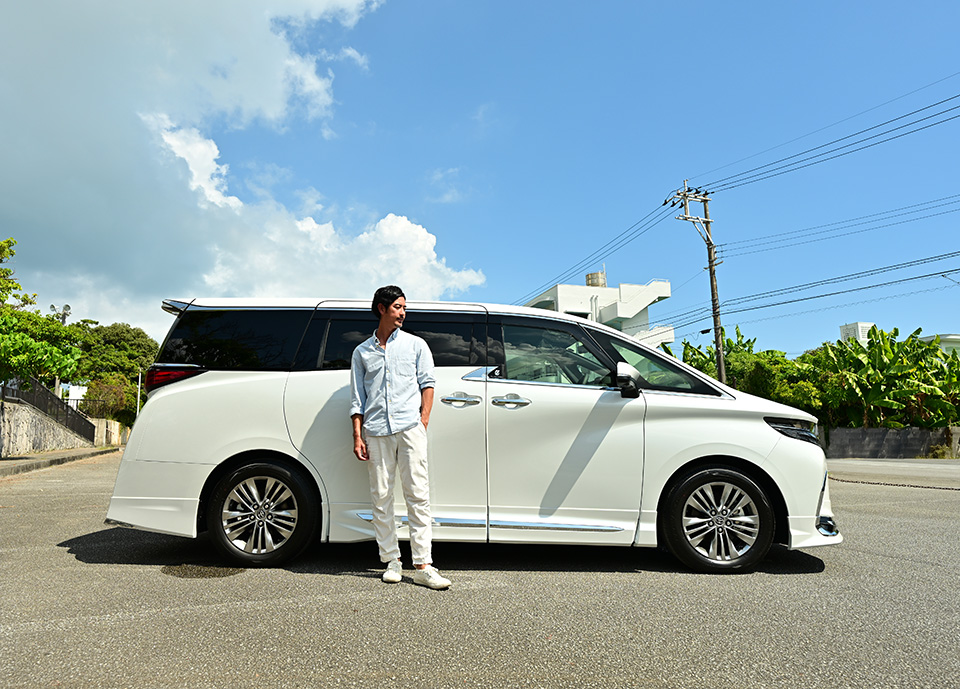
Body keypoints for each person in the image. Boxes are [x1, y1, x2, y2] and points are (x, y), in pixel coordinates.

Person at [349, 285, 451, 590]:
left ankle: (423, 565)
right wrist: (357, 435)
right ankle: (391, 560)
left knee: (417, 494)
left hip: (409, 428)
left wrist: (423, 421)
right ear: (382, 308)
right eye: (398, 307)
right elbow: (357, 398)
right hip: (376, 430)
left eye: (404, 307)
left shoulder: (416, 345)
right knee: (381, 496)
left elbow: (428, 384)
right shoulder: (362, 352)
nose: (403, 313)